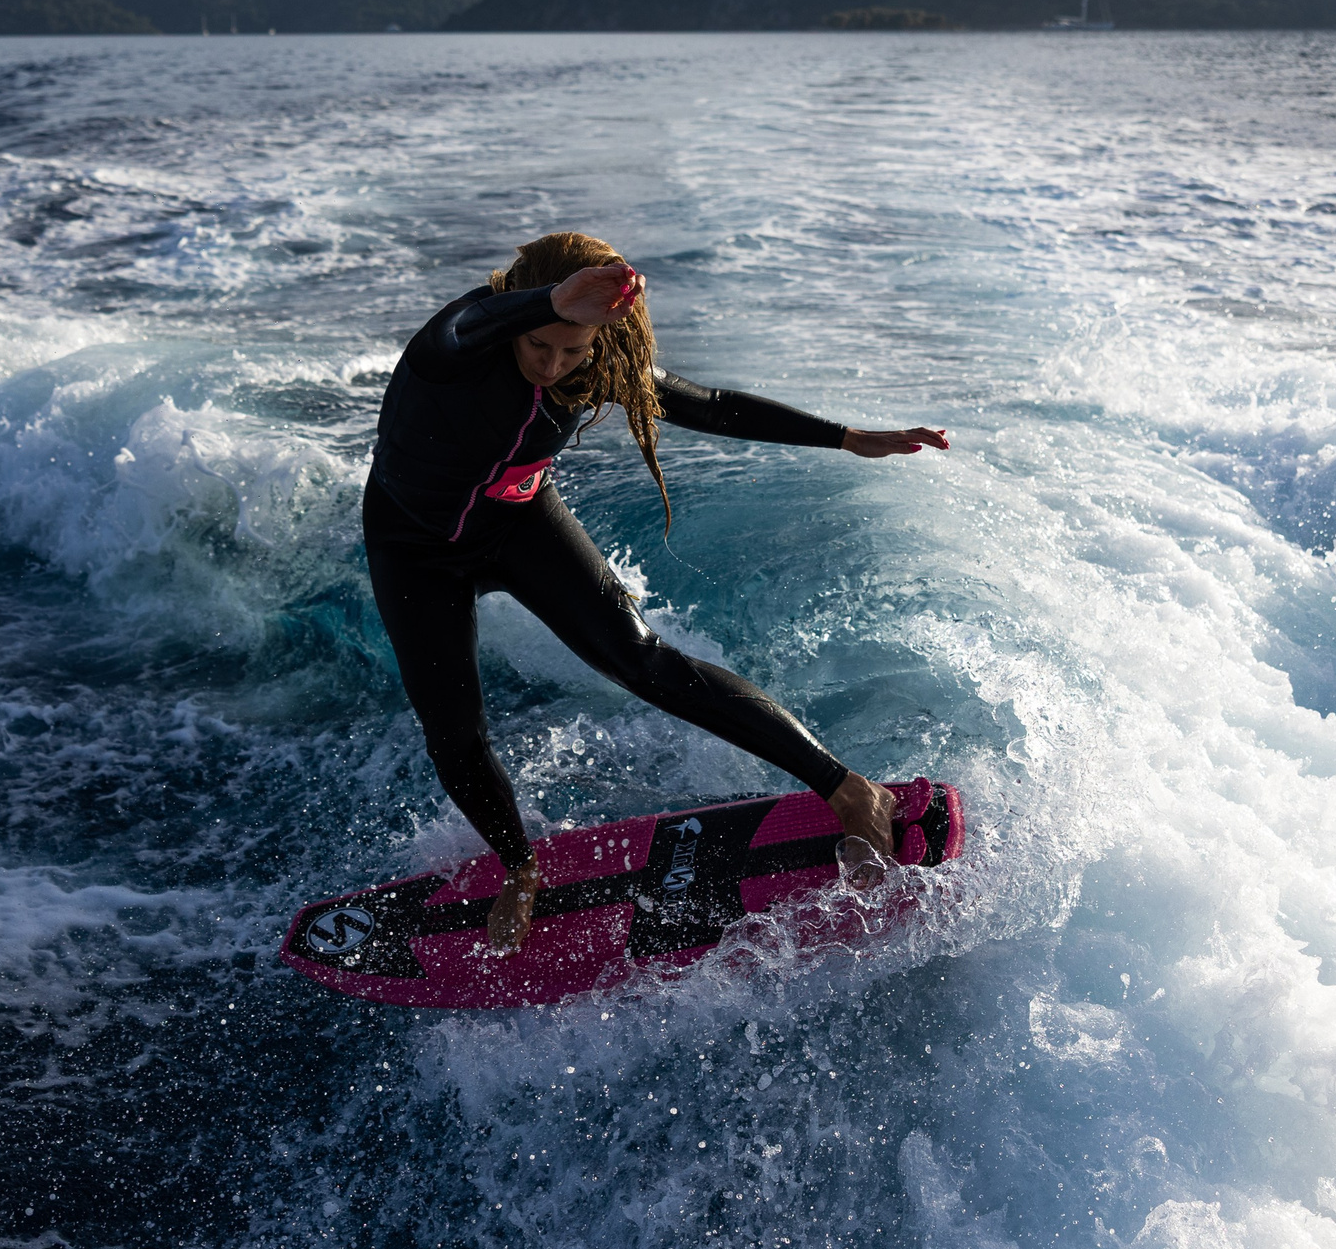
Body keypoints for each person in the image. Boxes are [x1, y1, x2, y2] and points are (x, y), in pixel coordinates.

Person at [365, 231, 950, 952]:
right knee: (453, 731)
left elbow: (708, 405)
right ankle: (519, 868)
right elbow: (464, 326)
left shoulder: (596, 361)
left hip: (518, 522)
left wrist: (844, 437)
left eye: (572, 351)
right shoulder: (453, 351)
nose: (552, 366)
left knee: (644, 660)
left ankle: (847, 788)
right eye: (539, 345)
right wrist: (547, 303)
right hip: (414, 551)